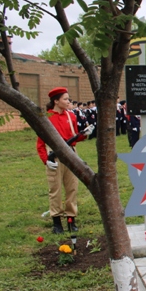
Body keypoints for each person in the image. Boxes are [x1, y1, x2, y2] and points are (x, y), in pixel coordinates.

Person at [36, 87, 94, 234]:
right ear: (56, 101)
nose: (68, 101)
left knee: (72, 188)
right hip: (54, 156)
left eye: (68, 99)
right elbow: (40, 143)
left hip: (70, 154)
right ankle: (56, 222)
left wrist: (84, 134)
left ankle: (71, 219)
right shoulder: (46, 118)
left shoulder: (71, 116)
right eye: (65, 99)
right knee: (55, 189)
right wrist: (45, 160)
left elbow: (73, 138)